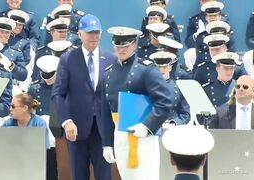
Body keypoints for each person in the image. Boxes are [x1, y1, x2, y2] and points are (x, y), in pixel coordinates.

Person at [102, 26, 173, 179]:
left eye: (125, 45)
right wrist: (107, 142)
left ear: (134, 45)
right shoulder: (108, 73)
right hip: (119, 133)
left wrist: (147, 126)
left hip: (143, 135)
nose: (121, 49)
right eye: (118, 45)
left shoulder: (146, 69)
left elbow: (165, 100)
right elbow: (104, 111)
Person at [52, 14, 117, 180]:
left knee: (104, 175)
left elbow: (115, 95)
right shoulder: (68, 59)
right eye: (89, 32)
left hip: (103, 131)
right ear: (80, 34)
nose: (94, 36)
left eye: (96, 32)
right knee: (79, 175)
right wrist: (66, 121)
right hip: (76, 129)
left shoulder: (111, 59)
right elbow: (58, 93)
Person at [149, 51, 190, 126]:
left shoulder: (179, 88)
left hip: (172, 129)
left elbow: (185, 114)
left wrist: (174, 123)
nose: (161, 70)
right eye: (158, 67)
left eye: (164, 67)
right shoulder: (147, 87)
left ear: (170, 67)